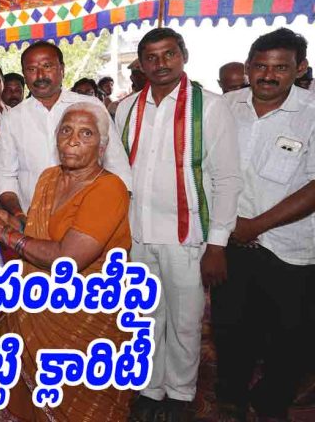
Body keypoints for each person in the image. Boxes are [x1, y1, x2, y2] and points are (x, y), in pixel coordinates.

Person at [0, 102, 132, 421]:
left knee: (86, 404)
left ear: (102, 144)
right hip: (39, 312)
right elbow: (38, 231)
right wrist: (6, 218)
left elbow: (66, 257)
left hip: (86, 319)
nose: (72, 140)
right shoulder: (48, 178)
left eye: (86, 133)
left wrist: (5, 234)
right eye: (66, 131)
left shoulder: (109, 189)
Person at [114, 28, 242, 421]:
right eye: (151, 57)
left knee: (186, 321)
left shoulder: (211, 107)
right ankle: (150, 389)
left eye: (168, 54)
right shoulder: (127, 108)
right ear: (141, 64)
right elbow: (118, 174)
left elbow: (227, 179)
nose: (160, 64)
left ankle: (180, 394)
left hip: (187, 236)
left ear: (183, 55)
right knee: (145, 318)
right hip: (137, 233)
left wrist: (217, 243)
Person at [216, 28, 314, 422]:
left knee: (289, 338)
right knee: (230, 330)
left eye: (280, 68)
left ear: (300, 69)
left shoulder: (311, 114)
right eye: (260, 66)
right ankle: (231, 399)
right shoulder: (224, 107)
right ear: (248, 66)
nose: (268, 75)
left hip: (290, 248)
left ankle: (271, 402)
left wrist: (255, 225)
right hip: (229, 244)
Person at [0, 40, 132, 222]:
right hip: (34, 222)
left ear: (62, 69)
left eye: (47, 66)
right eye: (32, 69)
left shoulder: (90, 107)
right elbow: (5, 175)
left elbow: (117, 164)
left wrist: (116, 210)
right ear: (24, 75)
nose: (40, 75)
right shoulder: (13, 118)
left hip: (91, 219)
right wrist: (19, 214)